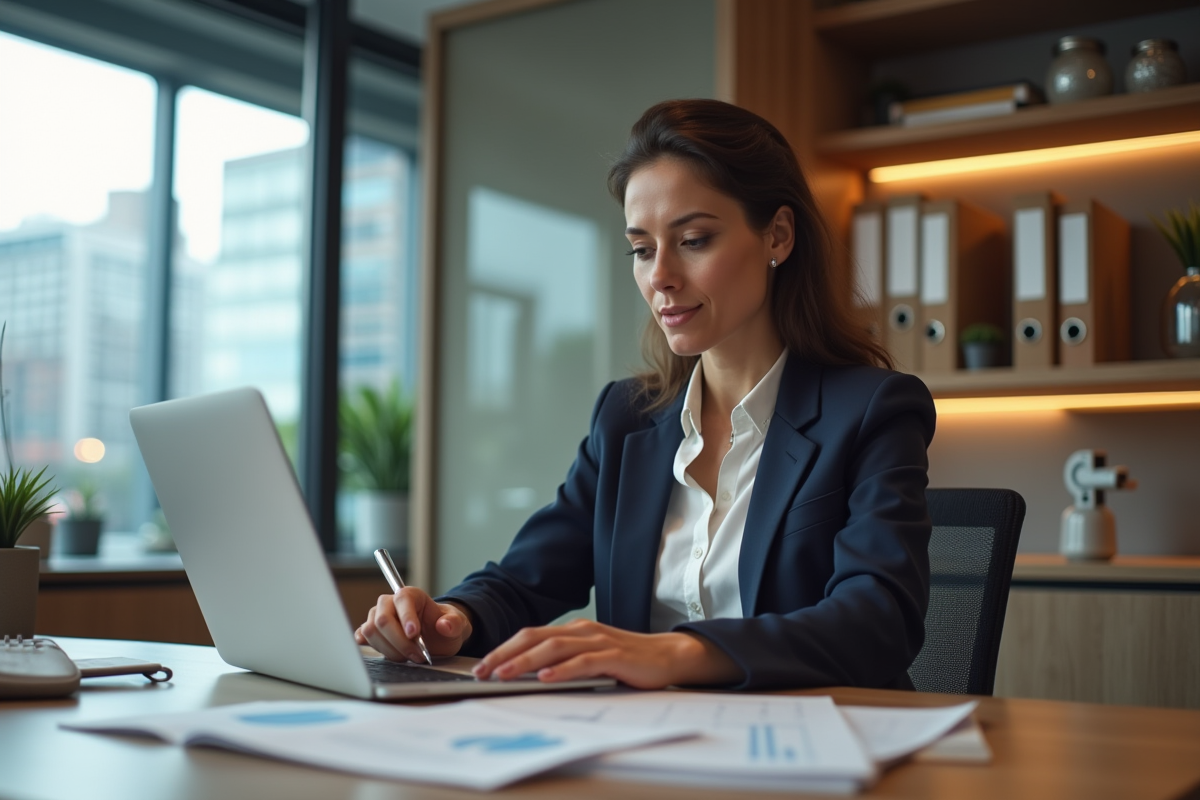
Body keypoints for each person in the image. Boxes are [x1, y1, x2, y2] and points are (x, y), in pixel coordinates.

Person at [355, 99, 935, 691]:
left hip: (813, 752)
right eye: (641, 248)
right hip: (646, 748)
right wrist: (454, 619)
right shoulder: (626, 418)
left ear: (778, 236)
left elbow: (878, 621)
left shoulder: (872, 411)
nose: (659, 275)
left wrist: (674, 654)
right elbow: (525, 578)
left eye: (694, 239)